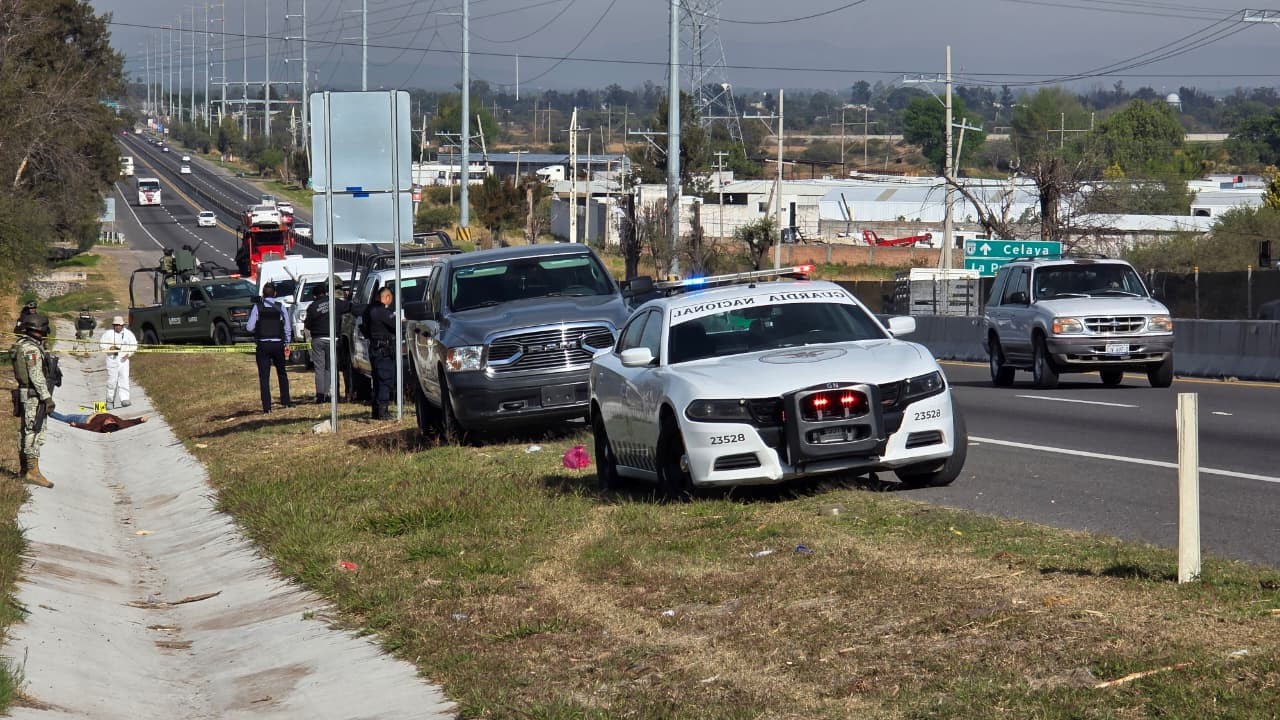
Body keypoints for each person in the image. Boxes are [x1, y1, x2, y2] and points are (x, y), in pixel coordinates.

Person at [11, 312, 55, 488]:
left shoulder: (22, 344)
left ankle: (24, 470)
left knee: (26, 431)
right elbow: (36, 375)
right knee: (34, 431)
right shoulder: (32, 349)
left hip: (25, 393)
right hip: (33, 396)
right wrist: (47, 398)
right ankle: (32, 471)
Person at [246, 281, 294, 414]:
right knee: (282, 373)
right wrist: (287, 343)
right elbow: (287, 327)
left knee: (264, 377)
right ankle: (286, 401)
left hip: (263, 345)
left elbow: (249, 327)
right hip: (278, 344)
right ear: (275, 294)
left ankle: (267, 407)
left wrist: (258, 326)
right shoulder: (280, 306)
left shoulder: (257, 307)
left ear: (262, 294)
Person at [303, 280, 350, 404]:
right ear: (325, 293)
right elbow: (350, 307)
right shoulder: (335, 302)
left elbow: (308, 325)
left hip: (318, 339)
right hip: (333, 339)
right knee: (330, 368)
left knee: (319, 368)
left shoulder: (312, 307)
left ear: (314, 296)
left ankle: (320, 395)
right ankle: (329, 393)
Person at [363, 286, 397, 420]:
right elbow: (396, 325)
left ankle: (376, 411)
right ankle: (383, 412)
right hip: (384, 351)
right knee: (385, 380)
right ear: (387, 297)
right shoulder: (383, 312)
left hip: (374, 349)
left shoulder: (368, 311)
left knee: (377, 380)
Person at [99, 316, 138, 409]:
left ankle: (125, 399)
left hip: (124, 361)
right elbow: (101, 345)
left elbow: (134, 345)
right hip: (112, 360)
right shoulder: (108, 334)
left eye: (119, 325)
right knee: (111, 381)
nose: (117, 327)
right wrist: (109, 348)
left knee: (124, 379)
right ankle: (110, 401)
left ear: (122, 325)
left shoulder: (128, 334)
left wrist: (128, 353)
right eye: (115, 325)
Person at [49, 410, 148, 433]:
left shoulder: (97, 426)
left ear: (105, 425)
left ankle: (49, 412)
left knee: (65, 418)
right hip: (92, 415)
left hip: (83, 419)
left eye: (109, 421)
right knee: (67, 417)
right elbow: (130, 422)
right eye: (112, 420)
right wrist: (141, 420)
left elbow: (88, 426)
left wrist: (76, 425)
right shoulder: (119, 423)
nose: (110, 419)